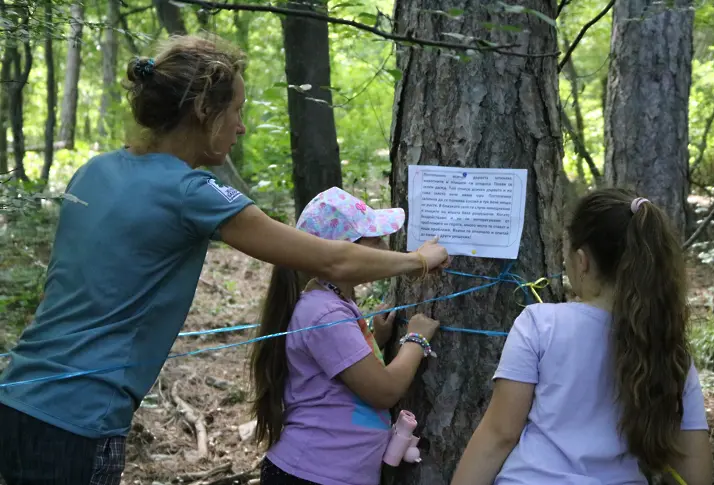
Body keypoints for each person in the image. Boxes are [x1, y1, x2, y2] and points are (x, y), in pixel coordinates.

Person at [0, 35, 448, 485]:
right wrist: (418, 260)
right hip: (79, 420)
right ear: (203, 111)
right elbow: (329, 263)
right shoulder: (191, 193)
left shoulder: (95, 169)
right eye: (236, 110)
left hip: (15, 396)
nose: (241, 127)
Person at [450, 188, 713, 485]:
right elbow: (695, 471)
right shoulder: (669, 349)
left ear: (582, 260)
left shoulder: (540, 324)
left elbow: (499, 435)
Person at [250, 186, 441, 485]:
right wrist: (416, 341)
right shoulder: (325, 313)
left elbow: (339, 371)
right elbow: (384, 391)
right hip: (313, 475)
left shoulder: (333, 302)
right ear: (346, 255)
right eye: (374, 240)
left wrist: (377, 340)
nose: (384, 246)